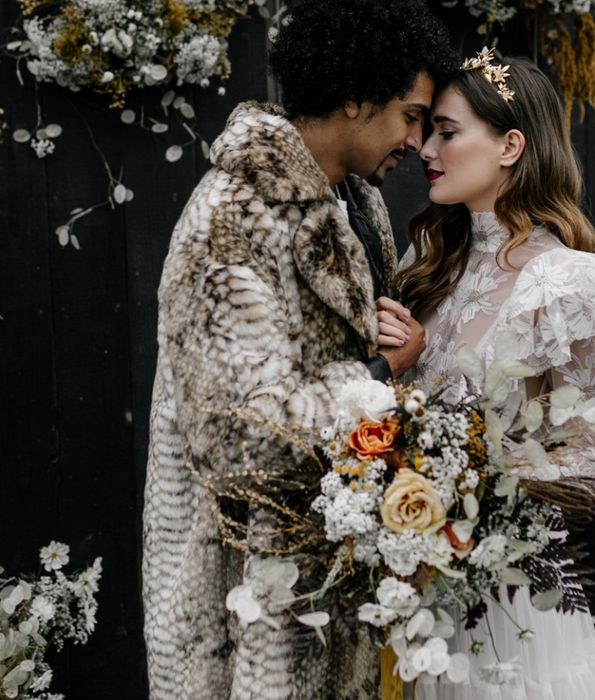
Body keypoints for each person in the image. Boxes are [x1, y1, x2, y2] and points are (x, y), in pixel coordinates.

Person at [141, 2, 455, 698]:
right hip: (250, 600)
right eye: (410, 114)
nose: (416, 139)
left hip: (333, 581)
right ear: (354, 94)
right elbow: (236, 435)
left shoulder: (358, 202)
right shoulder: (231, 216)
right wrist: (379, 375)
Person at [381, 52, 595, 699]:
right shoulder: (428, 262)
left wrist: (472, 481)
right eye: (427, 131)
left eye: (448, 131)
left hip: (511, 600)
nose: (425, 147)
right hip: (417, 587)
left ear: (510, 144)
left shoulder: (565, 282)